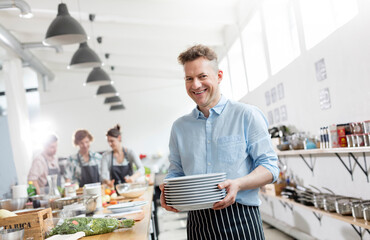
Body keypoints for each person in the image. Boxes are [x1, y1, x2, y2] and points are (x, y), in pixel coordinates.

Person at [160, 44, 279, 239]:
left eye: (202, 76)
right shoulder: (179, 128)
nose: (195, 85)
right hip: (197, 223)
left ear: (219, 76)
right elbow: (176, 171)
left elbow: (270, 167)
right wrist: (169, 188)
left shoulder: (246, 115)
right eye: (189, 78)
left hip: (241, 220)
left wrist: (238, 184)